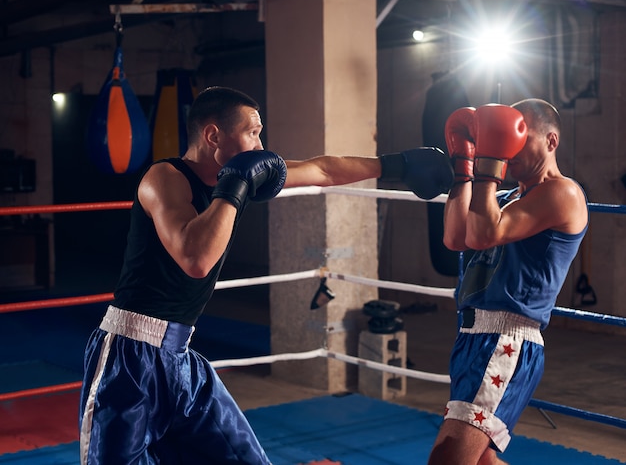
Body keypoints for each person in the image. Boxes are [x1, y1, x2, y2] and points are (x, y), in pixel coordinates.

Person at [79, 85, 454, 464]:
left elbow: (322, 169)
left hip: (180, 358)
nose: (261, 146)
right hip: (129, 356)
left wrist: (397, 166)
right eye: (253, 132)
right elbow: (196, 259)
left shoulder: (239, 178)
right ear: (213, 135)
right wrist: (234, 186)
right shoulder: (164, 178)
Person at [427, 99, 589, 465]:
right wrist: (463, 168)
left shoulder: (563, 193)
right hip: (471, 339)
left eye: (520, 137)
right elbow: (455, 237)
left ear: (551, 141)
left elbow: (485, 233)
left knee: (447, 460)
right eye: (505, 140)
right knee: (481, 460)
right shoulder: (502, 198)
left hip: (505, 343)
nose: (510, 149)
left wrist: (488, 165)